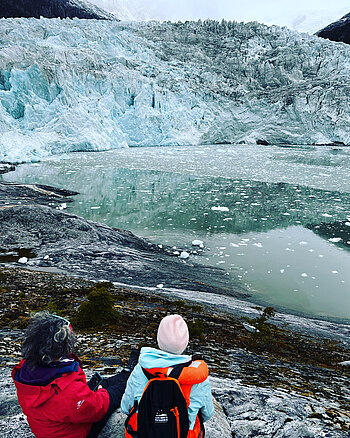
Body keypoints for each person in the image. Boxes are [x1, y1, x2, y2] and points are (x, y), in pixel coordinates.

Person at [12, 311, 136, 438]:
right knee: (114, 392)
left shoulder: (26, 369)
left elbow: (68, 396)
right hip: (75, 432)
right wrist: (101, 392)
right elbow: (98, 408)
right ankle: (134, 377)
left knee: (104, 384)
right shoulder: (67, 392)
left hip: (54, 423)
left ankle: (128, 374)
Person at [121, 314, 214, 438]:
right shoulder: (198, 378)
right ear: (186, 343)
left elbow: (125, 408)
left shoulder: (141, 369)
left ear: (159, 340)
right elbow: (207, 414)